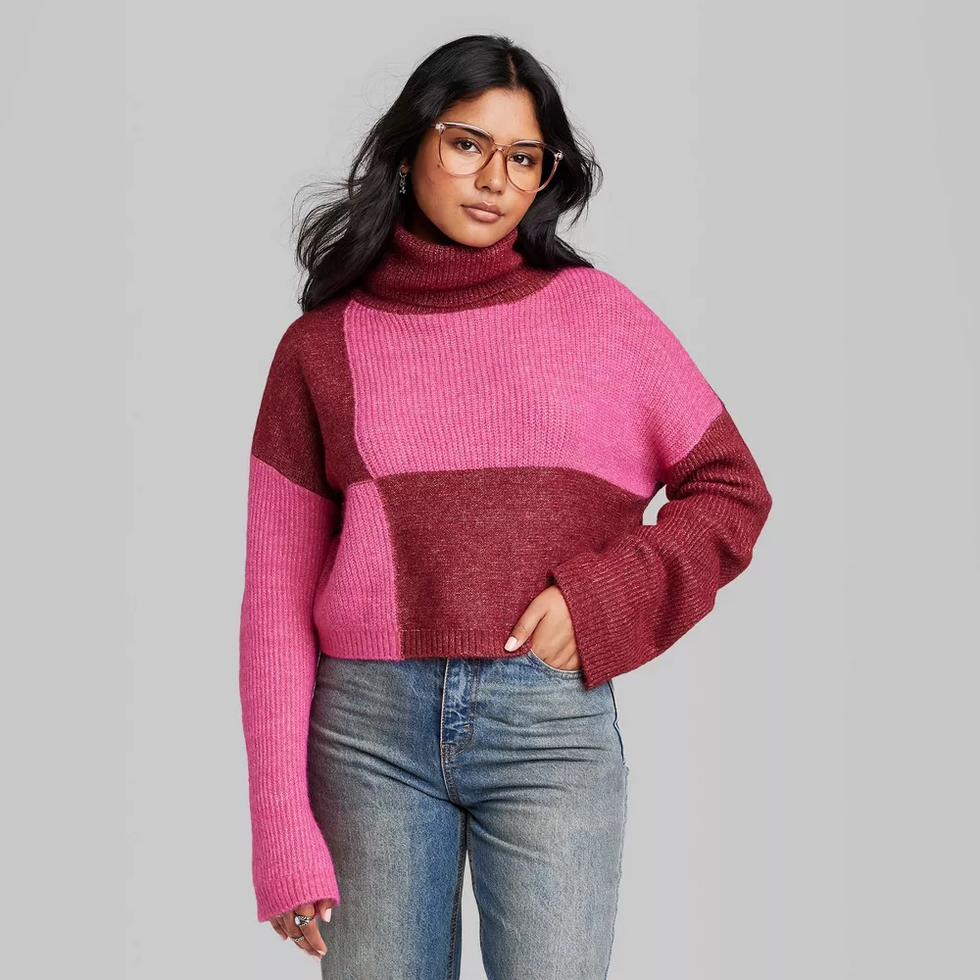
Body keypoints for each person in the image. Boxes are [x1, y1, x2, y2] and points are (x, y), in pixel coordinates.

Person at [238, 32, 773, 980]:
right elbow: (276, 600)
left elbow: (731, 488)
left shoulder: (600, 318)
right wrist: (281, 825)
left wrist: (601, 599)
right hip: (366, 735)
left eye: (525, 158)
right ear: (410, 146)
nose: (495, 179)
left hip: (548, 729)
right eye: (466, 144)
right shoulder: (322, 346)